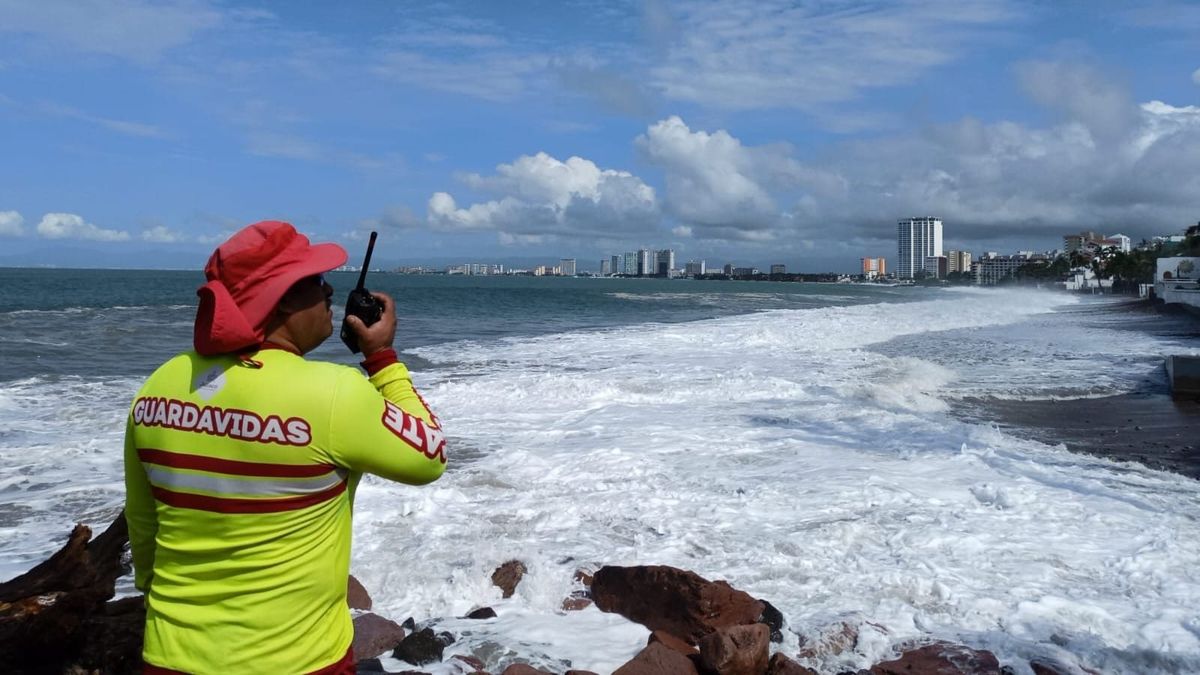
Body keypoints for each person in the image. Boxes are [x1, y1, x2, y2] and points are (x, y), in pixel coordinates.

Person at [123, 220, 448, 674]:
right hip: (297, 660)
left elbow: (142, 524)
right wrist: (382, 357)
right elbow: (429, 455)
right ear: (278, 301)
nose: (330, 290)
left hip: (171, 654)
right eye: (314, 282)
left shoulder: (160, 384)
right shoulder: (333, 392)